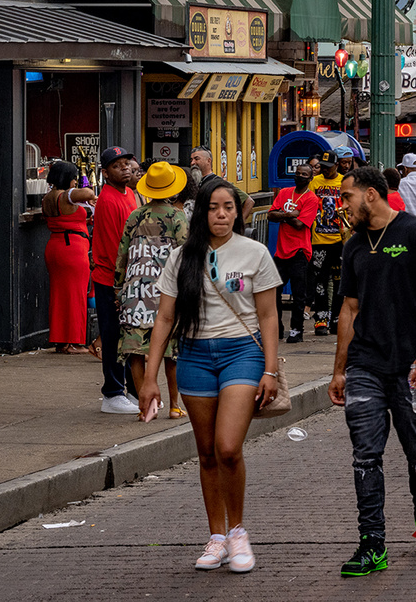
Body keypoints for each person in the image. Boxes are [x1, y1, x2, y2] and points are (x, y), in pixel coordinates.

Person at [138, 177, 281, 574]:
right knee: (205, 453)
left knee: (228, 448)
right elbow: (164, 318)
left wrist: (270, 369)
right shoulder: (181, 257)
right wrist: (150, 379)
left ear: (238, 211)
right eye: (214, 208)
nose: (221, 215)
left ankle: (238, 531)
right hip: (195, 357)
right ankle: (216, 536)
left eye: (229, 208)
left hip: (242, 354)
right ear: (200, 211)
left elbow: (269, 317)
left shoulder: (255, 253)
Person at [330, 166, 416, 576]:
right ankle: (371, 544)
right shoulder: (353, 247)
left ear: (369, 195)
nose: (341, 204)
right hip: (365, 364)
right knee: (365, 454)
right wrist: (340, 370)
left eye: (346, 196)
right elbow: (349, 309)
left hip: (411, 365)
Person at [115, 160, 187, 419]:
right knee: (171, 351)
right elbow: (186, 255)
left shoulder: (135, 216)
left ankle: (145, 406)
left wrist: (118, 290)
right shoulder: (178, 217)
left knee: (135, 350)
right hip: (166, 293)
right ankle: (175, 405)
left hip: (135, 291)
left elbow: (122, 256)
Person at [91, 146, 141, 414]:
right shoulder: (108, 200)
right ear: (105, 172)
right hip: (111, 279)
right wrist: (120, 286)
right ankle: (112, 393)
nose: (124, 168)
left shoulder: (130, 194)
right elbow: (114, 248)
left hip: (128, 277)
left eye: (126, 163)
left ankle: (132, 391)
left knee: (130, 336)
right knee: (113, 336)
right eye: (116, 165)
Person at [42, 160, 95, 355]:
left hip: (55, 246)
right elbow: (89, 193)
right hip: (72, 249)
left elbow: (66, 218)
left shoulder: (47, 197)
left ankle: (61, 341)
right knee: (76, 296)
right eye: (74, 178)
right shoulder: (67, 196)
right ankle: (74, 342)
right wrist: (85, 191)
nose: (75, 182)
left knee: (59, 297)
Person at [267, 160, 322, 343]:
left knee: (299, 295)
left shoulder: (312, 199)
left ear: (310, 178)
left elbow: (300, 225)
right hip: (281, 252)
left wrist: (282, 214)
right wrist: (289, 214)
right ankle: (278, 328)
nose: (299, 176)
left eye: (304, 174)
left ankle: (296, 329)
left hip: (300, 252)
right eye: (297, 173)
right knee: (275, 291)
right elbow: (270, 215)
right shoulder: (284, 193)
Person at [309, 154, 348, 336]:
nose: (325, 169)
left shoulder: (345, 181)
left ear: (336, 165)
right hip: (319, 241)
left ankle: (337, 318)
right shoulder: (315, 182)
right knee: (320, 281)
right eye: (322, 166)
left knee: (340, 282)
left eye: (328, 166)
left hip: (340, 240)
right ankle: (321, 320)